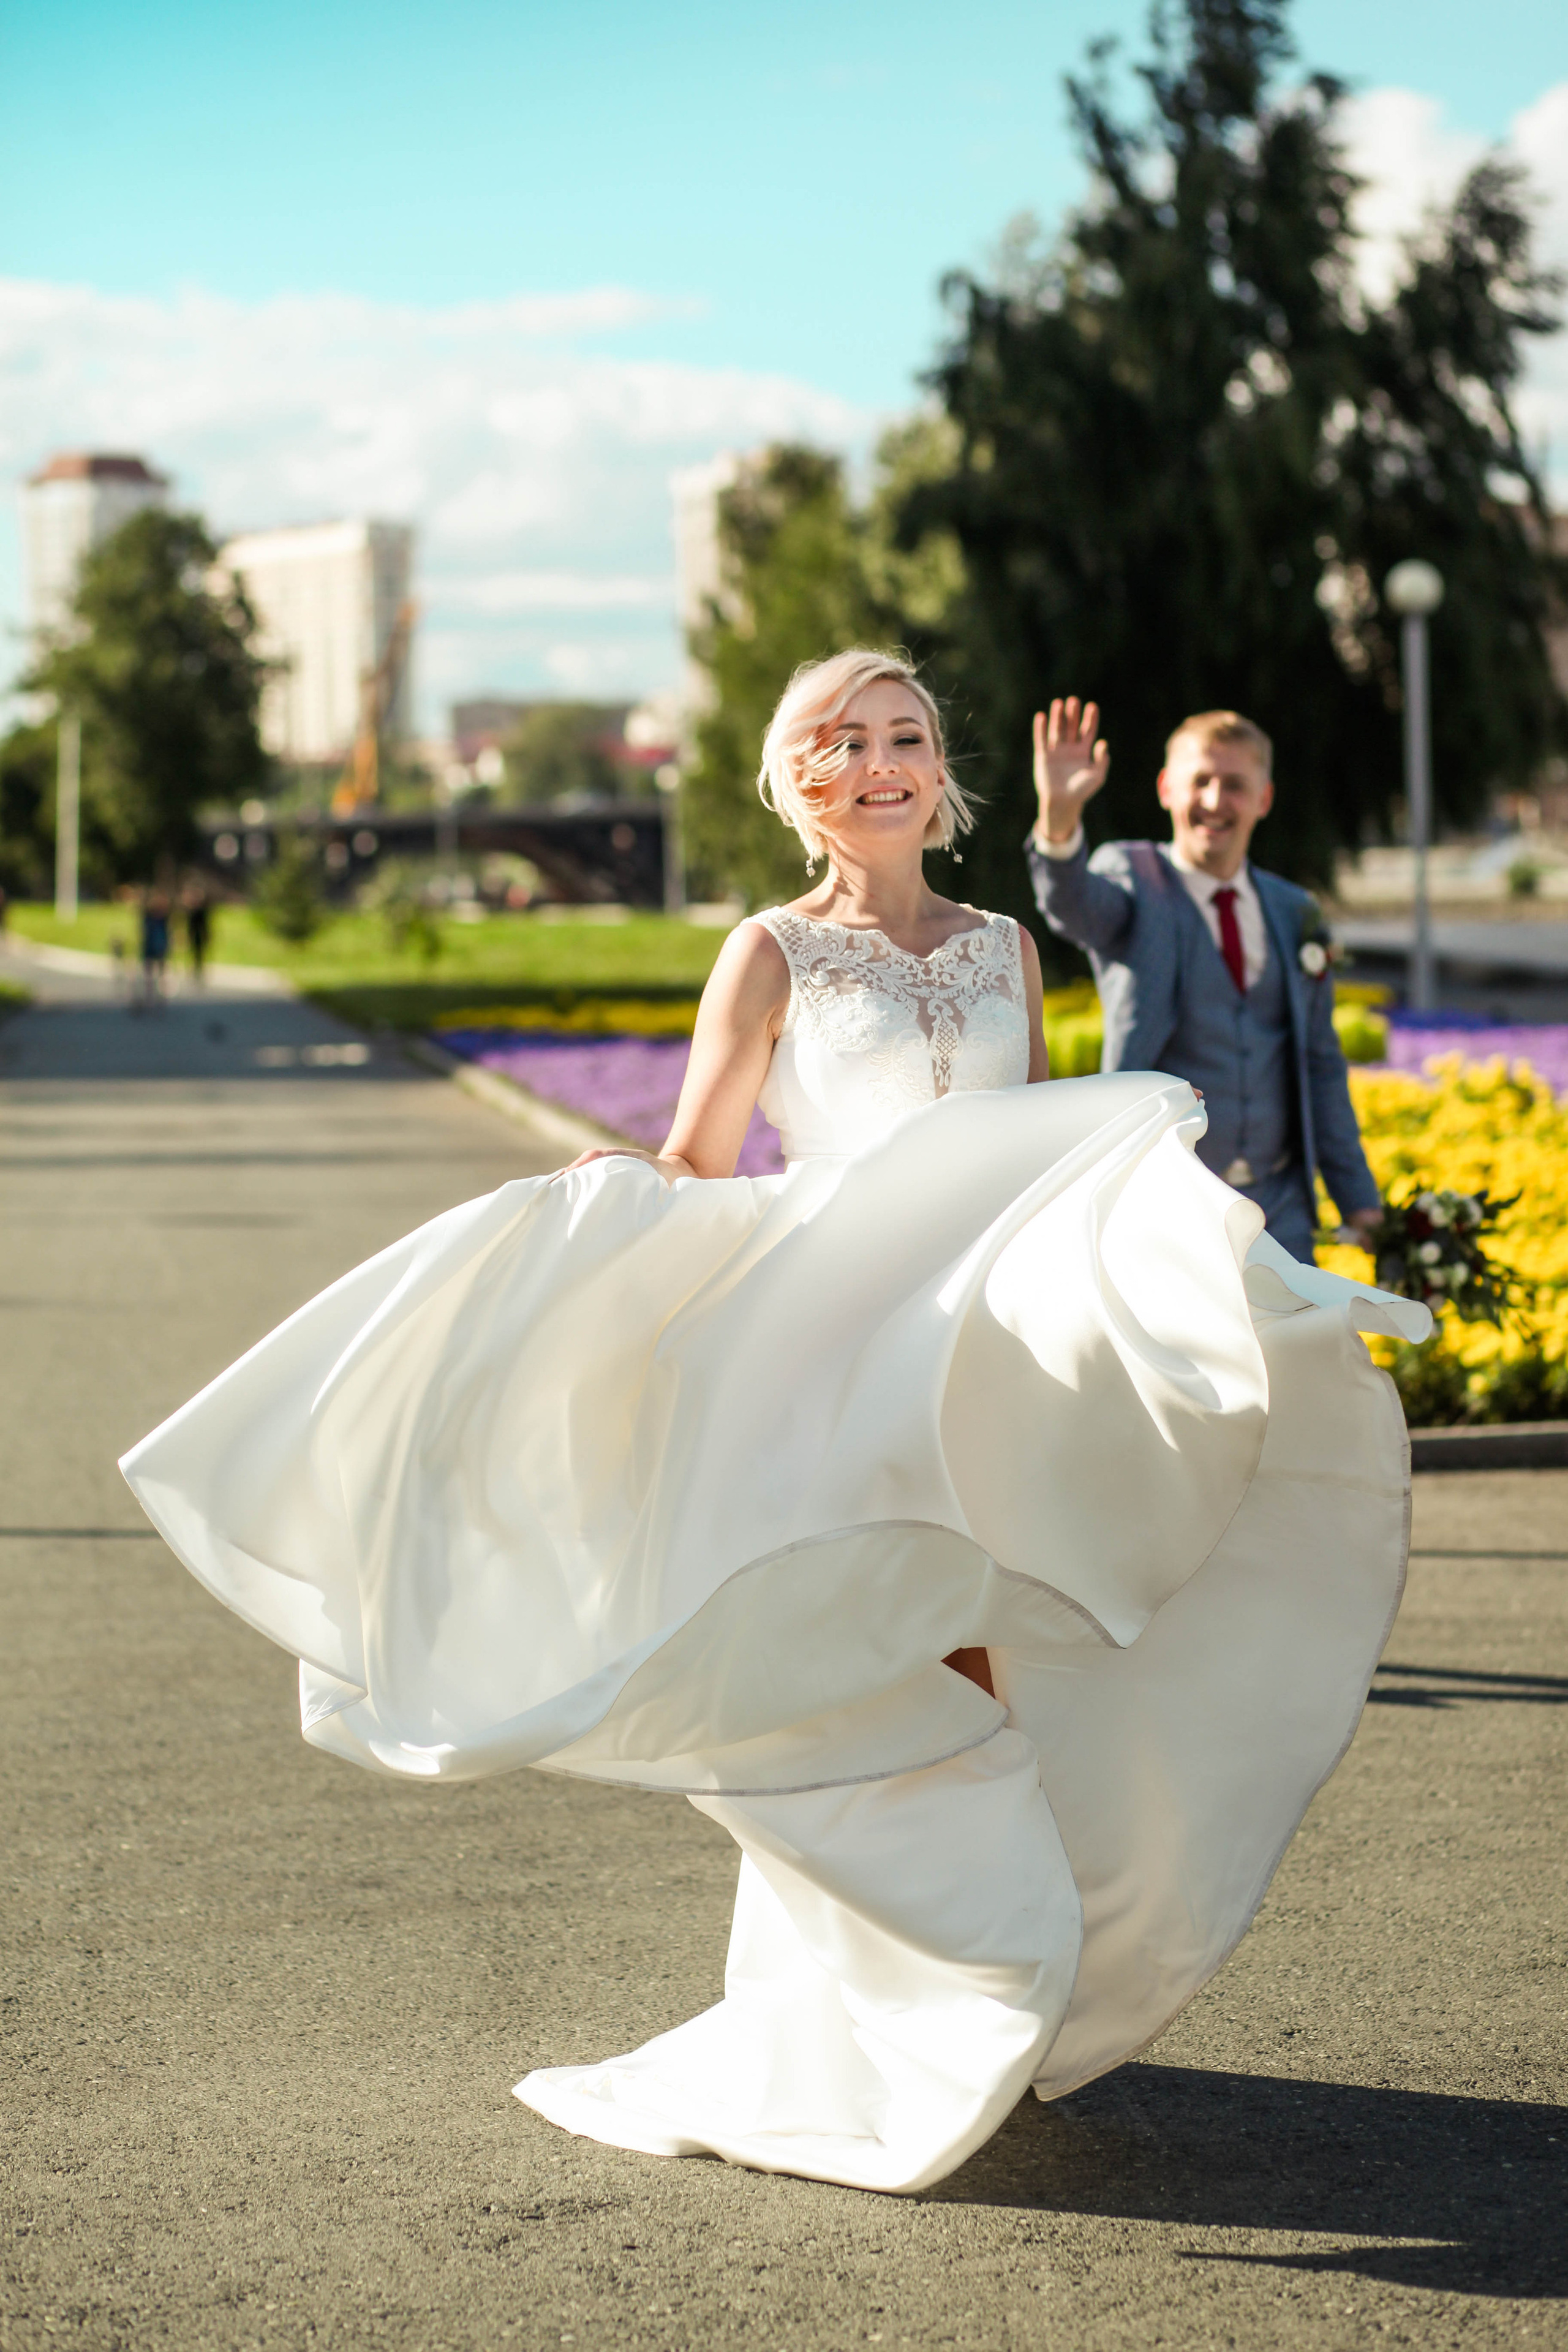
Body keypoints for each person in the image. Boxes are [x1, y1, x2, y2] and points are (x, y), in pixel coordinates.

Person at [120, 650, 1427, 2196]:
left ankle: (974, 1993)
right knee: (860, 1680)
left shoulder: (1004, 947)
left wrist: (1208, 1260)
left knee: (1014, 1669)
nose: (878, 764)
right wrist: (582, 1244)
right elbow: (695, 1154)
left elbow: (1029, 1157)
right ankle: (903, 2008)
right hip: (840, 1371)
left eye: (904, 738)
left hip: (985, 1368)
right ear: (799, 772)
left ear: (941, 771)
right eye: (844, 740)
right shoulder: (766, 952)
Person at [1027, 700, 1381, 1261]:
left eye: (1235, 785)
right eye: (1201, 781)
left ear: (1263, 799)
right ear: (1167, 788)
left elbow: (1320, 1065)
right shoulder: (1136, 878)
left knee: (1290, 1350)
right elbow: (1072, 905)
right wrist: (1059, 818)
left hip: (1280, 1211)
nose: (1215, 801)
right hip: (1167, 1203)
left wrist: (1361, 1203)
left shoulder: (1295, 912)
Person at [138, 891, 171, 1011]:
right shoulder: (149, 917)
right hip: (151, 947)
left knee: (161, 974)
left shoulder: (164, 919)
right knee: (150, 975)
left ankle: (161, 997)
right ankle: (150, 998)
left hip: (159, 946)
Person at [184, 885, 212, 982]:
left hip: (200, 937)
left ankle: (199, 973)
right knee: (193, 955)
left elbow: (205, 926)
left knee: (199, 956)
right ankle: (194, 972)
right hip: (194, 936)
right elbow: (190, 927)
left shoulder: (202, 912)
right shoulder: (192, 912)